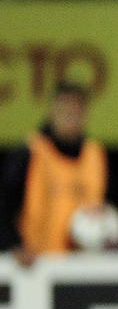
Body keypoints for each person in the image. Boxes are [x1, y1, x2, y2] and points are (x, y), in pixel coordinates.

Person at [0, 82, 109, 266]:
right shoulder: (30, 152)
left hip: (83, 266)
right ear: (52, 112)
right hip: (36, 265)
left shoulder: (95, 154)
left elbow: (106, 206)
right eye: (65, 111)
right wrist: (14, 244)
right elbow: (4, 204)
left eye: (76, 112)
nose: (70, 118)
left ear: (85, 115)